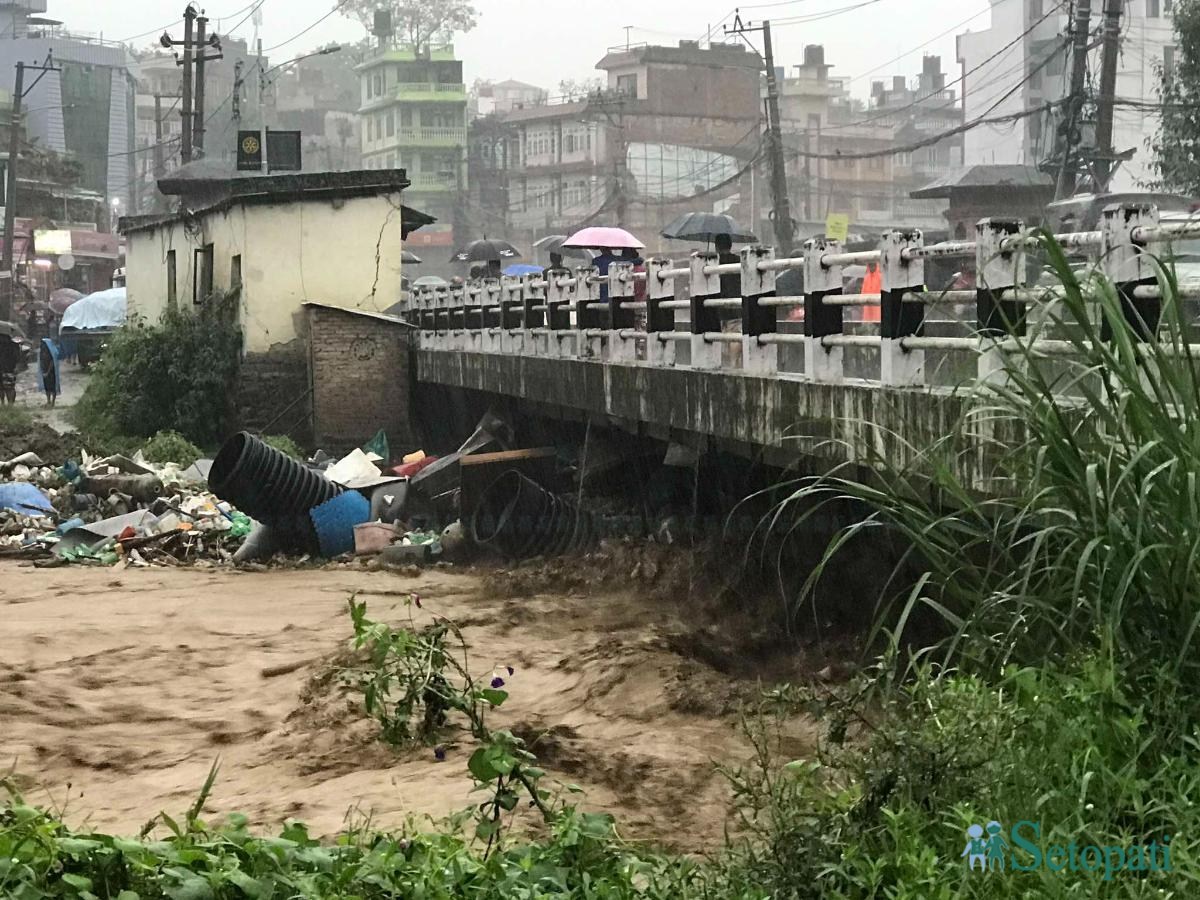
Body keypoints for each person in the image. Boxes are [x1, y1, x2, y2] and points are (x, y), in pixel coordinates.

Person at [37, 337, 60, 408]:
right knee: (47, 387)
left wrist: (47, 372)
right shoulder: (41, 352)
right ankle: (48, 401)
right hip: (44, 371)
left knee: (52, 387)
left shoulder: (52, 352)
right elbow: (40, 362)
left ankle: (52, 402)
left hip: (51, 372)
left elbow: (52, 362)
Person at [0, 335, 21, 404]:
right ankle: (7, 403)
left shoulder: (14, 345)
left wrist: (16, 367)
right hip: (8, 368)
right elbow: (18, 357)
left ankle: (8, 403)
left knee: (8, 387)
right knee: (7, 387)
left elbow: (17, 357)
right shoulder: (14, 345)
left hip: (9, 368)